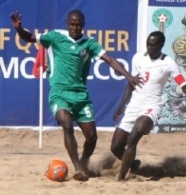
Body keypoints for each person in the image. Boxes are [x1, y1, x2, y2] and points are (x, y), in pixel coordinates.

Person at [10, 10, 141, 181]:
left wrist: (128, 76)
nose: (75, 27)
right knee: (66, 123)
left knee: (92, 137)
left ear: (83, 25)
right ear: (68, 24)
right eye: (72, 24)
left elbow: (110, 60)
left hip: (80, 95)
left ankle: (84, 162)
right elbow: (30, 38)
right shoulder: (56, 36)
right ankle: (78, 168)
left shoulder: (89, 43)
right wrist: (19, 29)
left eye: (78, 24)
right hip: (59, 93)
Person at [110, 31, 186, 181]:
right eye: (148, 44)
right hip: (134, 105)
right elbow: (131, 83)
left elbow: (184, 87)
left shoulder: (169, 63)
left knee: (134, 137)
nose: (149, 48)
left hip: (152, 106)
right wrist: (121, 105)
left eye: (153, 45)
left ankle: (121, 179)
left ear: (161, 46)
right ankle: (133, 164)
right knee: (115, 147)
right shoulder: (138, 58)